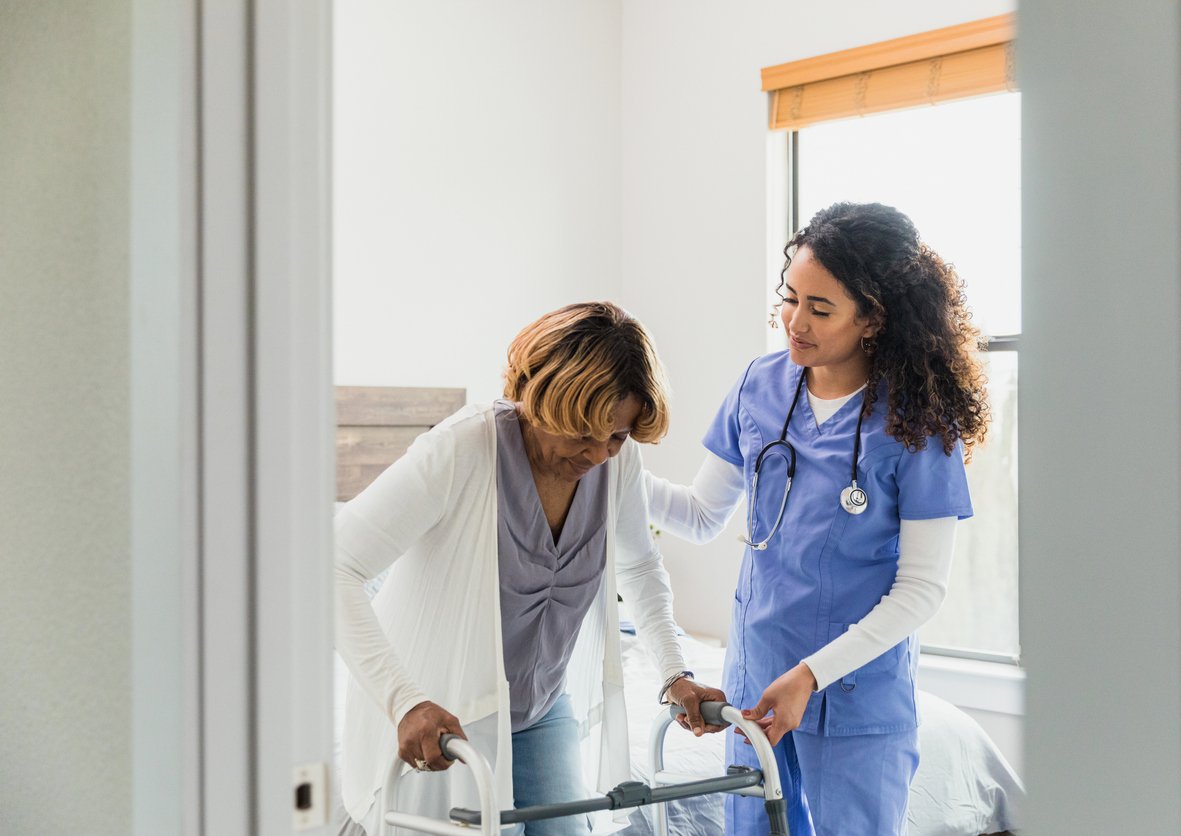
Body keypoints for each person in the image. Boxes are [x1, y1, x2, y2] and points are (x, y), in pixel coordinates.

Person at [646, 202, 991, 835]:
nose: (794, 323)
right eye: (789, 298)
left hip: (857, 693)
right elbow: (698, 516)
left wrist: (811, 676)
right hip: (757, 682)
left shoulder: (918, 423)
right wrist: (606, 466)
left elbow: (921, 591)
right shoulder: (759, 386)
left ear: (874, 319)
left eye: (821, 309)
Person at [334, 302, 725, 835]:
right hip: (447, 716)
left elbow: (638, 568)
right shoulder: (462, 450)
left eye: (617, 435)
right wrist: (405, 702)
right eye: (583, 433)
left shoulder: (617, 462)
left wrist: (676, 673)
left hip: (541, 708)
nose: (598, 454)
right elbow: (334, 566)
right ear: (540, 401)